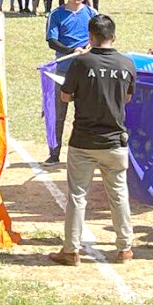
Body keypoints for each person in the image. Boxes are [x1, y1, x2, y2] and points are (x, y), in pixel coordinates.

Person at [49, 15, 137, 266]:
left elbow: (65, 97)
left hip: (84, 140)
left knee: (78, 195)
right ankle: (125, 248)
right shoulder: (127, 64)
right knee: (119, 194)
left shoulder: (81, 62)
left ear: (90, 36)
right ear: (114, 36)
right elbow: (127, 98)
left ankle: (71, 249)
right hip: (115, 141)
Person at [44, 0, 97, 166]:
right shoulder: (57, 14)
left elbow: (99, 38)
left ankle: (86, 154)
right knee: (59, 114)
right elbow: (52, 41)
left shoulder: (92, 14)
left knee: (86, 114)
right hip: (64, 72)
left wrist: (91, 48)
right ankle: (54, 152)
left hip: (87, 73)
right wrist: (71, 50)